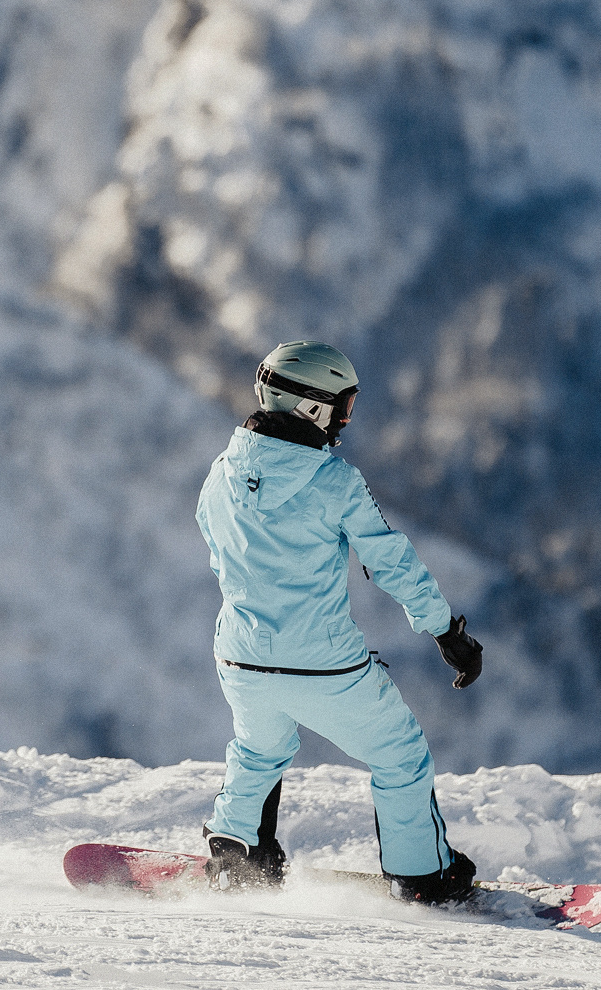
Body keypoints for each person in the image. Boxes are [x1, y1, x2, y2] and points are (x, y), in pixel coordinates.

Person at [195, 340, 485, 904]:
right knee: (400, 755)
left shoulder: (221, 473)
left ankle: (238, 854)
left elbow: (217, 548)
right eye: (343, 408)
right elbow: (392, 560)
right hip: (322, 663)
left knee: (259, 749)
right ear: (311, 407)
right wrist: (447, 632)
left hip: (240, 653)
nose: (345, 421)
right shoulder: (335, 482)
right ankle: (422, 876)